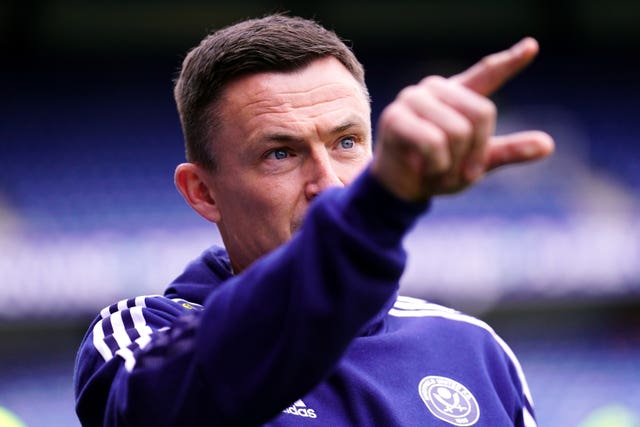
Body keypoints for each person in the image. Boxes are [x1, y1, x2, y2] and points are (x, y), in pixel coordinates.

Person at [74, 13, 553, 427]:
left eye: (347, 142)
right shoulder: (141, 337)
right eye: (280, 153)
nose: (330, 185)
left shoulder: (474, 350)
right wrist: (378, 208)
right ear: (203, 192)